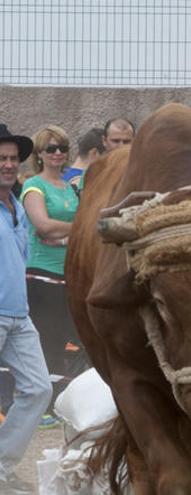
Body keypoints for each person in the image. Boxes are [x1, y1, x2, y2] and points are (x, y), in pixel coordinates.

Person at [0, 123, 54, 495]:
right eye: (1, 159)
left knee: (38, 389)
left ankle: (1, 465)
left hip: (19, 316)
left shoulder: (16, 205)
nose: (7, 165)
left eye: (12, 159)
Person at [20, 125, 82, 416]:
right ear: (39, 154)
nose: (58, 153)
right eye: (51, 148)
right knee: (49, 340)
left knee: (73, 341)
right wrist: (78, 230)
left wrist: (66, 236)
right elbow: (42, 225)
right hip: (42, 275)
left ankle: (64, 405)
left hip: (71, 275)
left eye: (62, 147)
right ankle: (44, 409)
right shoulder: (34, 186)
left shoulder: (71, 187)